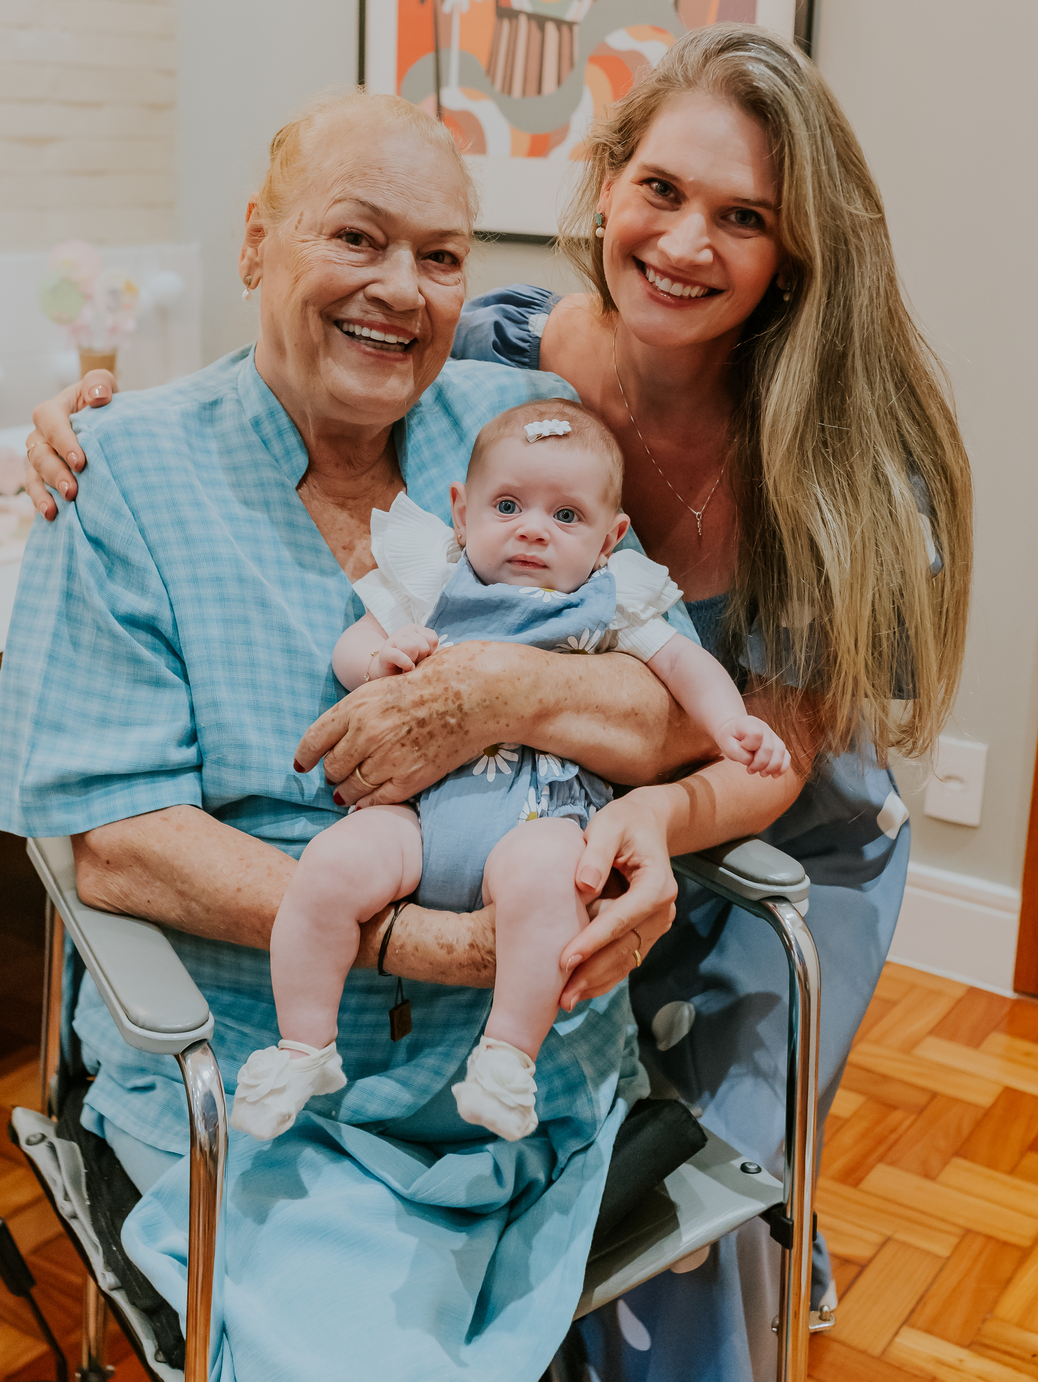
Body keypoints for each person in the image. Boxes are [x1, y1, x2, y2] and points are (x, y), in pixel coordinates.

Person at [25, 26, 972, 1382]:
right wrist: (92, 427)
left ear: (793, 257)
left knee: (706, 1240)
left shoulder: (836, 466)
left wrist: (545, 727)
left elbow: (758, 733)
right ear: (605, 185)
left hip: (767, 807)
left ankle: (767, 1242)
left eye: (745, 216)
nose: (688, 242)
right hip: (528, 844)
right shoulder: (503, 365)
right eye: (663, 189)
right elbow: (309, 340)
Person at [0, 92, 719, 1382]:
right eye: (357, 238)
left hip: (533, 1063)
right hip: (268, 1090)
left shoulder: (520, 430)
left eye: (442, 255)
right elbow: (111, 841)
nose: (404, 288)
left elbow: (665, 702)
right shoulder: (125, 474)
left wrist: (497, 694)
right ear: (257, 243)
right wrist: (423, 944)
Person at [231, 398, 789, 1147]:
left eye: (567, 517)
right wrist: (377, 661)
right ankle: (303, 1046)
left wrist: (731, 725)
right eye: (506, 505)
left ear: (609, 538)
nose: (532, 528)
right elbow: (357, 640)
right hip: (418, 821)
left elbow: (687, 666)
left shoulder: (613, 597)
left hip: (535, 820)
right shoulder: (433, 578)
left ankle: (506, 1058)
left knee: (554, 877)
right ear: (461, 513)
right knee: (328, 868)